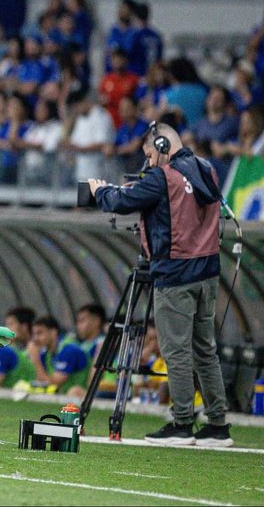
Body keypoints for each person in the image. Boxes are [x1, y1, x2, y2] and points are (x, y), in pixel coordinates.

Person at [91, 121, 232, 447]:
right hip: (208, 273)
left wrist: (101, 190)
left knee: (176, 351)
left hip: (175, 275)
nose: (149, 161)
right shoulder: (206, 169)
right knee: (204, 350)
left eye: (150, 154)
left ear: (163, 147)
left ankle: (182, 423)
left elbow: (122, 203)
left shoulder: (162, 176)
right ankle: (217, 425)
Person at [26, 315, 90, 398]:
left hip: (82, 396)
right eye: (34, 334)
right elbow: (39, 380)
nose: (35, 339)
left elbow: (53, 384)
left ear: (53, 332)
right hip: (63, 397)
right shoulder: (46, 352)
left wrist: (35, 358)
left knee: (74, 391)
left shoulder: (69, 349)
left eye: (39, 333)